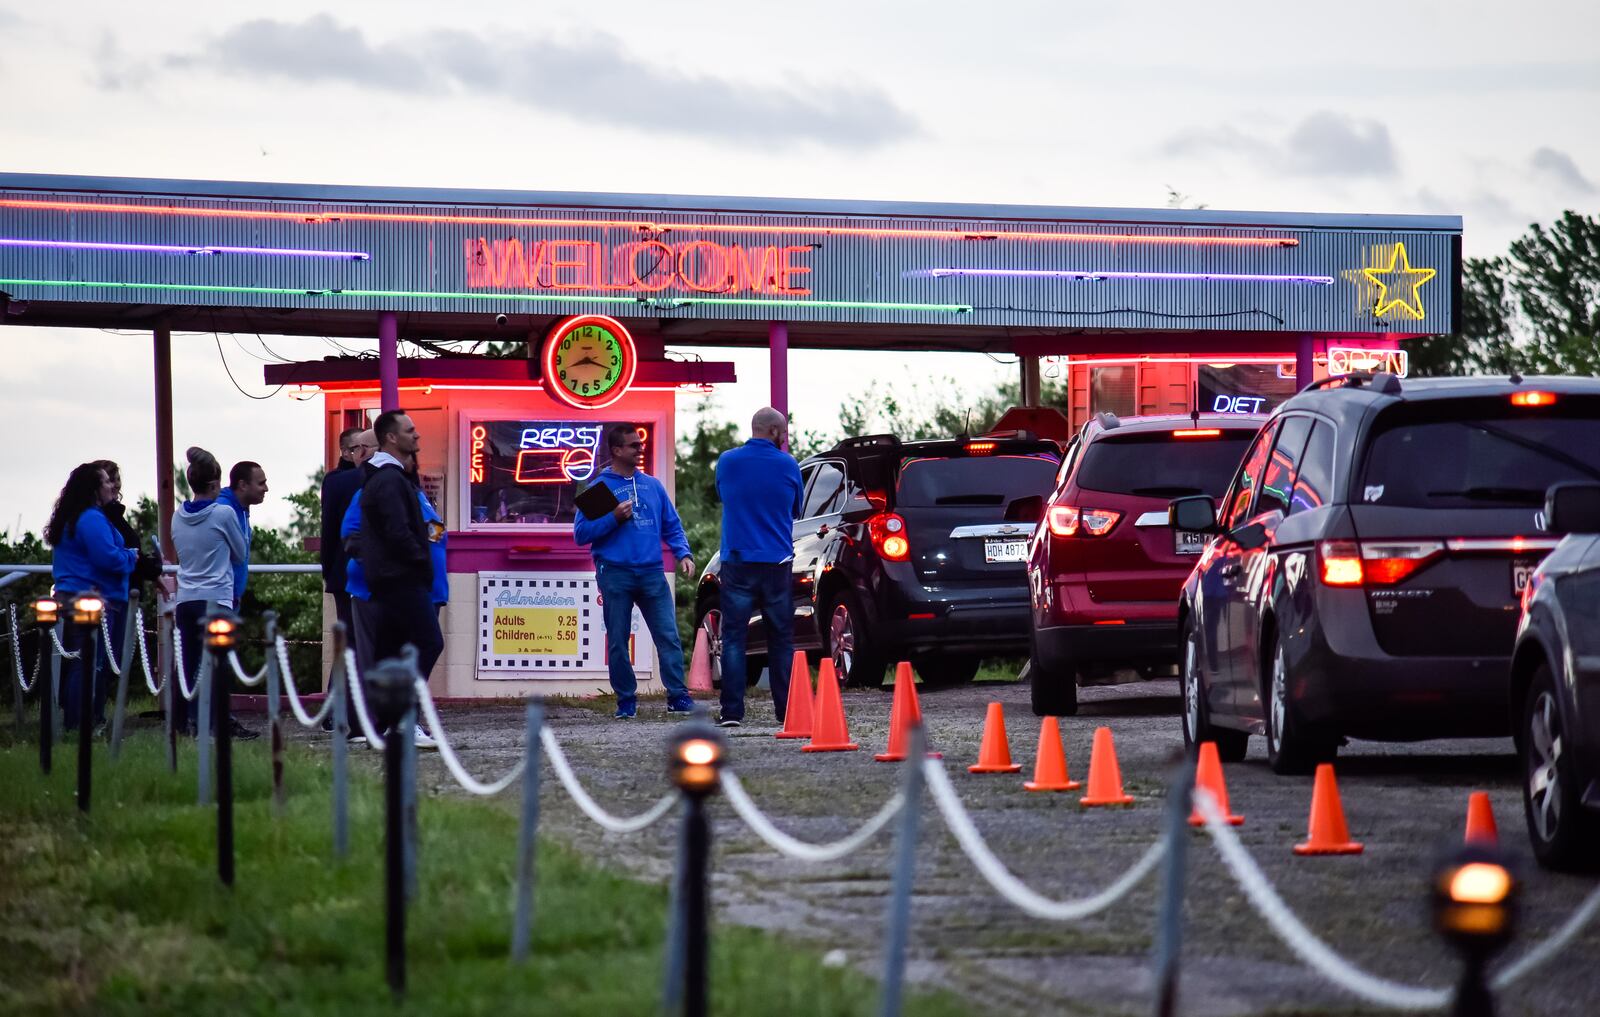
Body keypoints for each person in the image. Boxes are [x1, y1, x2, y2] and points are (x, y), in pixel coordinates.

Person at [573, 423, 695, 719]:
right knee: (618, 639)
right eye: (633, 446)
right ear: (616, 450)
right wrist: (613, 518)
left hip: (652, 571)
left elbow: (671, 524)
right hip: (615, 572)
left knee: (668, 635)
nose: (640, 450)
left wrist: (683, 553)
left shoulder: (653, 486)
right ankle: (626, 700)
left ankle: (677, 696)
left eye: (640, 445)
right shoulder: (598, 489)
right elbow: (581, 534)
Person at [340, 442, 439, 749]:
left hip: (422, 588)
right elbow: (351, 535)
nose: (413, 463)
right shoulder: (373, 491)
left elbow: (432, 532)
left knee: (408, 652)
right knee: (385, 656)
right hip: (381, 587)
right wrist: (381, 568)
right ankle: (385, 723)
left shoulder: (415, 496)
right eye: (409, 456)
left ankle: (399, 721)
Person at [713, 407, 805, 728]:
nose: (785, 436)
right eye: (784, 431)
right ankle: (786, 711)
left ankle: (732, 713)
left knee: (734, 637)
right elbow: (797, 509)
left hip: (737, 561)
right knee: (781, 638)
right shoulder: (788, 464)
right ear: (775, 431)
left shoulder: (727, 461)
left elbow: (722, 494)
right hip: (777, 562)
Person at [359, 410, 446, 713]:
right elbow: (397, 531)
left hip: (392, 578)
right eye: (410, 430)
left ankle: (384, 721)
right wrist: (421, 562)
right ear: (391, 438)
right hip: (401, 578)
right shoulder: (388, 480)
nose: (417, 435)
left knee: (390, 649)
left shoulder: (388, 479)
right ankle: (402, 716)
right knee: (428, 641)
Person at [46, 462, 138, 736]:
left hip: (74, 595)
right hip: (98, 599)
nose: (112, 486)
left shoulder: (71, 517)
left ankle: (81, 721)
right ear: (93, 489)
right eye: (106, 482)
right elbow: (107, 558)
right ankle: (83, 723)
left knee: (83, 662)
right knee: (91, 663)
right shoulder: (92, 518)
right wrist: (132, 556)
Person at [171, 447, 253, 738]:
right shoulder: (224, 513)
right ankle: (216, 722)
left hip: (186, 599)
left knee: (188, 664)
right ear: (215, 483)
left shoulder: (177, 516)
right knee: (217, 664)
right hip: (217, 597)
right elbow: (240, 553)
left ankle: (186, 722)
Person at [320, 427, 374, 725]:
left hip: (342, 573)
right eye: (358, 448)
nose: (363, 454)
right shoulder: (351, 480)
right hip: (354, 572)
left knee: (351, 641)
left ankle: (339, 709)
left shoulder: (335, 481)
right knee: (356, 641)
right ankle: (339, 709)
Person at [90, 459, 164, 663]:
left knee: (113, 660)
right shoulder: (101, 517)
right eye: (108, 480)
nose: (114, 485)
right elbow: (114, 553)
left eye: (115, 479)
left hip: (123, 592)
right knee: (103, 661)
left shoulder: (112, 514)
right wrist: (153, 570)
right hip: (111, 596)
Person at [218, 460, 269, 608]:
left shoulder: (240, 509)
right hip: (220, 599)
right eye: (261, 483)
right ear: (243, 485)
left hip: (229, 597)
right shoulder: (224, 510)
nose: (266, 489)